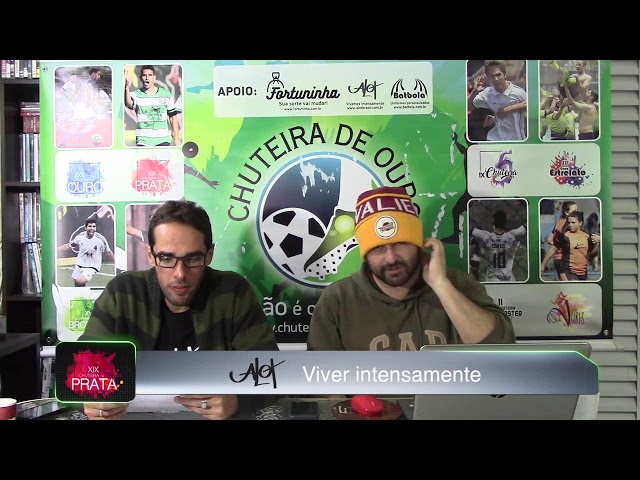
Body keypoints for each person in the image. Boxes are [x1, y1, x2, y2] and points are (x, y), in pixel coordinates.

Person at [78, 200, 279, 420]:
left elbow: (273, 374)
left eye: (193, 258)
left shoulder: (233, 293)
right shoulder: (122, 293)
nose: (180, 274)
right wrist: (90, 399)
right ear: (150, 255)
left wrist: (238, 400)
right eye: (166, 258)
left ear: (209, 255)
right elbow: (76, 373)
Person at [307, 186, 515, 352]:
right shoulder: (338, 299)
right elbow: (320, 380)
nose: (391, 258)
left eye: (400, 243)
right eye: (378, 248)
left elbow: (499, 353)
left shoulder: (459, 285)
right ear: (365, 254)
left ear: (420, 243)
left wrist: (441, 285)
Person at [467, 60, 528, 141]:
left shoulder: (518, 92)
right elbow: (467, 107)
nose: (496, 79)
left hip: (515, 140)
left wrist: (507, 109)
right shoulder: (487, 93)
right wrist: (474, 92)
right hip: (494, 139)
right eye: (492, 76)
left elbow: (532, 105)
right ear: (488, 78)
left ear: (504, 75)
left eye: (498, 75)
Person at [124, 65, 182, 147]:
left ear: (154, 77)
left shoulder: (165, 94)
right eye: (144, 75)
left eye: (150, 75)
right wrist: (127, 87)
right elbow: (128, 104)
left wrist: (176, 138)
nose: (147, 78)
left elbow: (172, 116)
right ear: (141, 78)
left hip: (162, 140)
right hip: (143, 140)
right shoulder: (136, 95)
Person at [470, 209, 527, 282]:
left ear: (493, 222)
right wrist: (526, 207)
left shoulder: (486, 236)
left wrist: (466, 207)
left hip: (492, 279)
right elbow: (529, 224)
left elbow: (468, 228)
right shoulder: (512, 235)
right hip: (508, 279)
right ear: (505, 223)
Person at [57, 218, 115, 287]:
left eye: (94, 226)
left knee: (79, 281)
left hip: (92, 266)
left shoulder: (100, 239)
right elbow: (69, 245)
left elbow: (108, 252)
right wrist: (56, 250)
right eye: (90, 226)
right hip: (79, 264)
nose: (92, 228)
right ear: (85, 227)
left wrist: (116, 263)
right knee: (77, 285)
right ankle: (85, 293)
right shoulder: (80, 237)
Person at [545, 210, 601, 281]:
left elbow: (592, 255)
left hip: (582, 271)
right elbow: (553, 249)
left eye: (573, 223)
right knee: (572, 285)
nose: (570, 225)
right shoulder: (564, 235)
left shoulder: (587, 237)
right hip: (567, 270)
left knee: (580, 287)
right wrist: (543, 264)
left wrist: (596, 245)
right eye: (569, 223)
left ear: (580, 223)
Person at [541, 200, 578, 279]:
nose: (577, 212)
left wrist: (560, 246)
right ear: (567, 212)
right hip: (566, 260)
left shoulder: (559, 223)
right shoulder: (569, 225)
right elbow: (554, 245)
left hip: (561, 259)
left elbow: (550, 240)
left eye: (577, 210)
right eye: (574, 210)